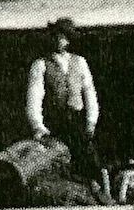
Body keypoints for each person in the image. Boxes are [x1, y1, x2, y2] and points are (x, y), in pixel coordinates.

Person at [26, 18, 102, 187]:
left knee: (87, 159)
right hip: (55, 121)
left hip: (77, 120)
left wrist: (91, 121)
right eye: (56, 36)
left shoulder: (80, 62)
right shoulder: (41, 64)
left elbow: (89, 92)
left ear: (69, 39)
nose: (60, 41)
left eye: (63, 37)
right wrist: (38, 126)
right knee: (58, 159)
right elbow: (35, 95)